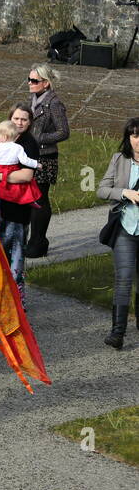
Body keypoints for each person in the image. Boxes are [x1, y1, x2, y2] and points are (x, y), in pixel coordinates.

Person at [0, 106, 40, 298]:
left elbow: (26, 175)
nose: (19, 123)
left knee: (15, 252)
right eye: (16, 118)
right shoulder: (4, 139)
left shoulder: (28, 144)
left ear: (30, 122)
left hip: (18, 204)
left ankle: (17, 299)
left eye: (24, 120)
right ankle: (0, 294)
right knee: (0, 248)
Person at [98, 117, 139, 349]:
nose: (138, 141)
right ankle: (117, 333)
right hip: (125, 227)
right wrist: (125, 193)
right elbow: (102, 190)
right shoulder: (119, 159)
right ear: (128, 137)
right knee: (123, 279)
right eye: (134, 135)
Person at [25, 65, 70, 258]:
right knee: (31, 197)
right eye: (29, 79)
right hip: (30, 155)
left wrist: (39, 138)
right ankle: (34, 240)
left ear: (46, 83)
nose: (30, 83)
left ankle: (38, 241)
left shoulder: (54, 103)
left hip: (46, 157)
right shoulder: (33, 99)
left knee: (40, 198)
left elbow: (63, 131)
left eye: (34, 81)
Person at [0, 120, 41, 206]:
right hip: (11, 169)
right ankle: (29, 199)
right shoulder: (18, 147)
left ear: (4, 137)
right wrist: (36, 164)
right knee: (21, 186)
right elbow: (25, 160)